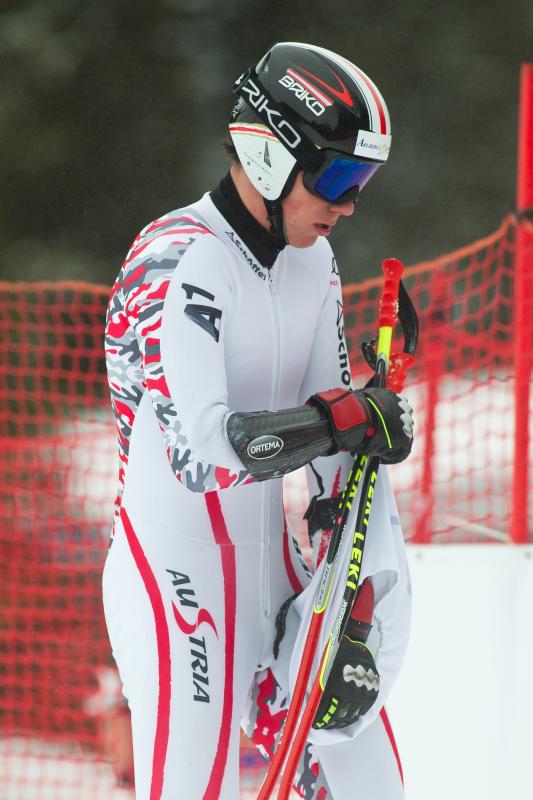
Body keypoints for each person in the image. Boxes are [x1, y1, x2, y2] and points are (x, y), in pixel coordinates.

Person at [103, 41, 414, 800]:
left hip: (274, 570)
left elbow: (335, 438)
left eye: (362, 182)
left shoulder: (313, 263)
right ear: (269, 154)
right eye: (336, 178)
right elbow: (203, 453)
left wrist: (356, 591)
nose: (347, 204)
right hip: (179, 581)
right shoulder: (179, 258)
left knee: (370, 785)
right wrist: (340, 420)